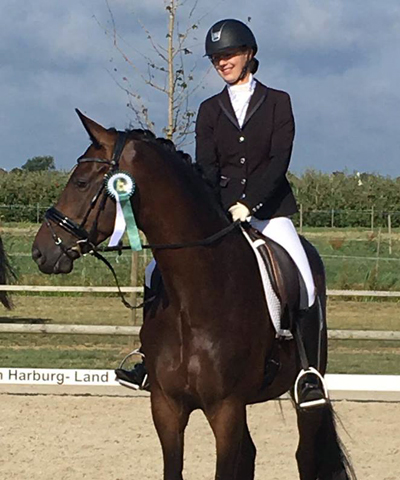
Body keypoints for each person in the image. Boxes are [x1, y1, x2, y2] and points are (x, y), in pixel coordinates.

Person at [116, 19, 327, 408]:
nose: (221, 62)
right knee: (154, 271)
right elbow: (205, 168)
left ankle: (308, 373)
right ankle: (148, 359)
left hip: (270, 213)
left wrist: (253, 205)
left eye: (228, 55)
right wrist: (212, 210)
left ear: (249, 54)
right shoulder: (209, 109)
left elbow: (279, 159)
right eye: (216, 58)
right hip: (223, 214)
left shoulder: (278, 101)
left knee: (303, 277)